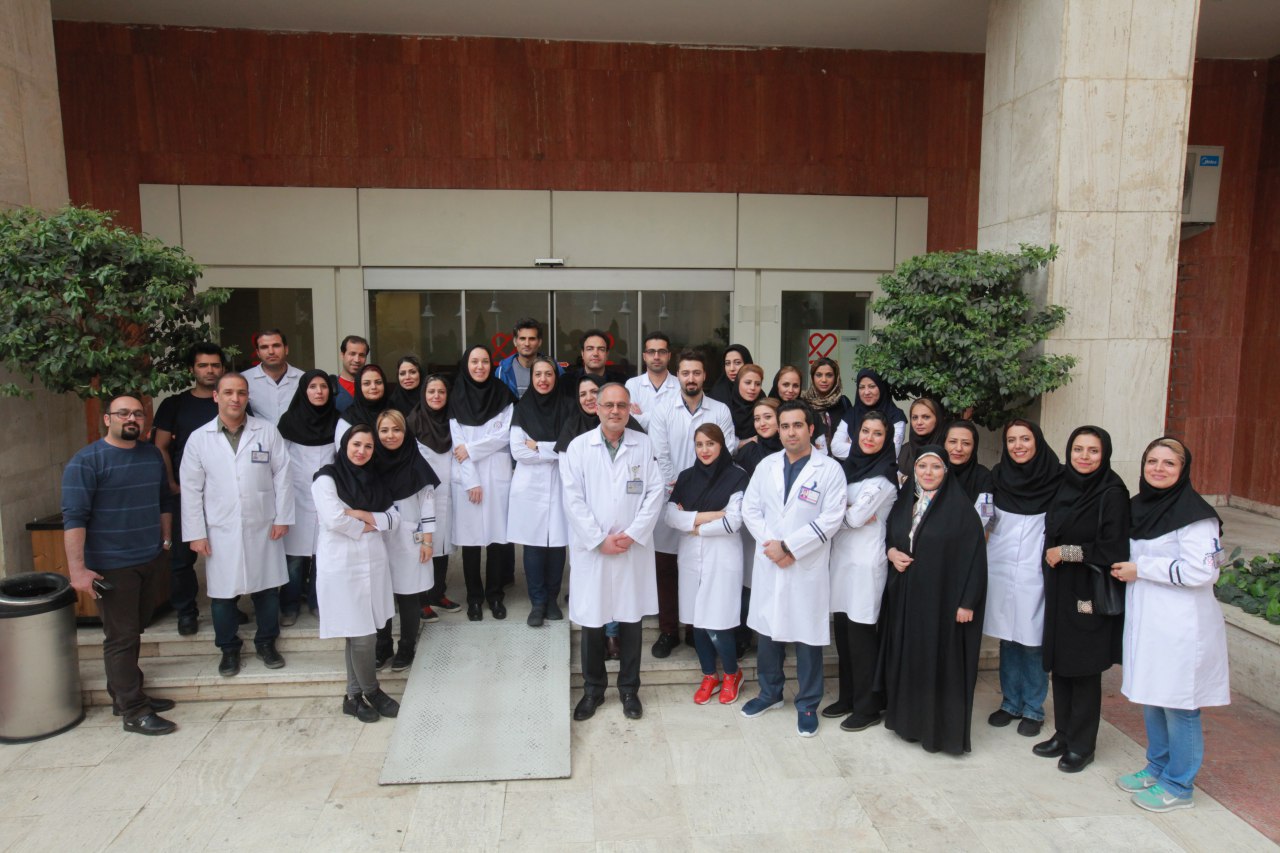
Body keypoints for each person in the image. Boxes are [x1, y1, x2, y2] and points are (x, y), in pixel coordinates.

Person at [1110, 437, 1229, 813]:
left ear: (1183, 470)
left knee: (1179, 704)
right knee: (1153, 696)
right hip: (1148, 622)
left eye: (1169, 463)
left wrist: (1143, 569)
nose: (1158, 469)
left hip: (1182, 627)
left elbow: (1204, 572)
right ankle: (1157, 767)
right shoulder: (1138, 507)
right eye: (1152, 461)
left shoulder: (1196, 515)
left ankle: (1179, 785)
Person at [62, 393, 177, 735]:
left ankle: (125, 692)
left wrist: (165, 541)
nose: (131, 419)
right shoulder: (87, 461)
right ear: (107, 419)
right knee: (121, 637)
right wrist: (77, 571)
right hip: (111, 565)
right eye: (123, 413)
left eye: (137, 414)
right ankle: (133, 711)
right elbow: (74, 518)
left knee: (133, 629)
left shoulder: (151, 455)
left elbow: (163, 500)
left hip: (149, 558)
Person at [739, 400, 846, 737]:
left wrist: (790, 547)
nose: (790, 432)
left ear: (811, 429)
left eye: (797, 425)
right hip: (771, 560)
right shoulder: (766, 465)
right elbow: (750, 509)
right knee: (768, 630)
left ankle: (808, 703)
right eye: (784, 426)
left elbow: (831, 519)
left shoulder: (829, 470)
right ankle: (769, 693)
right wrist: (773, 546)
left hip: (806, 564)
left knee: (807, 635)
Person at [561, 383, 664, 722]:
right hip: (594, 550)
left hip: (631, 549)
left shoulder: (643, 444)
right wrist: (598, 539)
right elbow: (572, 499)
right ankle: (593, 690)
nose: (615, 411)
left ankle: (629, 689)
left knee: (631, 620)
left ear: (630, 408)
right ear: (597, 408)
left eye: (621, 405)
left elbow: (655, 492)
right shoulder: (579, 447)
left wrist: (633, 534)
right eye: (608, 405)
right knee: (593, 621)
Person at [180, 373, 293, 677]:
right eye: (228, 392)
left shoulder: (266, 431)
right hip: (220, 529)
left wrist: (283, 517)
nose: (235, 398)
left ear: (247, 397)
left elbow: (283, 476)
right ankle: (229, 649)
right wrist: (196, 533)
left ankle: (267, 643)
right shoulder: (199, 438)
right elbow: (191, 490)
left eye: (241, 393)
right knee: (222, 595)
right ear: (216, 396)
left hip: (264, 524)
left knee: (267, 590)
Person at [880, 446, 988, 754]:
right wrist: (892, 553)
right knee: (911, 660)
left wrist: (967, 603)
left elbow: (976, 560)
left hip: (943, 603)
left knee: (940, 665)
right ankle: (908, 724)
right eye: (922, 466)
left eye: (936, 467)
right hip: (908, 600)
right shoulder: (906, 502)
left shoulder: (961, 510)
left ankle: (938, 732)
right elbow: (891, 537)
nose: (928, 472)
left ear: (946, 472)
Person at [1035, 426, 1129, 772]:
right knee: (1061, 664)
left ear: (1104, 455)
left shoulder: (1112, 493)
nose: (1084, 457)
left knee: (1084, 668)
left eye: (1093, 451)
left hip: (1088, 592)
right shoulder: (1064, 484)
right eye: (1078, 449)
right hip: (1060, 587)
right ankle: (1063, 733)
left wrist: (1067, 552)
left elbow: (1113, 549)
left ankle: (1082, 745)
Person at [649, 350, 737, 658]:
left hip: (711, 498)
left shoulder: (720, 410)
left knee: (701, 571)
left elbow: (727, 450)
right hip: (672, 496)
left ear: (704, 376)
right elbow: (659, 453)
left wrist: (700, 494)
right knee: (666, 568)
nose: (691, 378)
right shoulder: (662, 409)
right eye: (685, 373)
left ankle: (694, 628)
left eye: (696, 373)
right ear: (678, 376)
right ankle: (668, 630)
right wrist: (680, 488)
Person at [313, 425, 402, 723]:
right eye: (356, 445)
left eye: (368, 446)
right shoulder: (326, 478)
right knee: (363, 636)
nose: (361, 451)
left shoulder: (376, 479)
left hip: (373, 563)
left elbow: (394, 519)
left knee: (358, 634)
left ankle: (352, 698)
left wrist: (361, 515)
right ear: (344, 445)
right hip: (341, 566)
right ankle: (373, 691)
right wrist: (373, 522)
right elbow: (334, 520)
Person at [986, 419, 1062, 737]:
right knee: (1008, 637)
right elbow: (986, 518)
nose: (1018, 446)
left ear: (1037, 441)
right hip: (1001, 566)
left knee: (1032, 640)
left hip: (1037, 569)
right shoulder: (998, 476)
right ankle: (1010, 703)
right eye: (1012, 440)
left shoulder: (1057, 478)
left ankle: (1033, 707)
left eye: (1025, 439)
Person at [665, 424, 749, 705]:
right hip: (690, 557)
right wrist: (711, 516)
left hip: (722, 558)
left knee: (719, 621)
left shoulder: (737, 476)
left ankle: (732, 674)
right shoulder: (686, 477)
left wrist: (694, 525)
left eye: (710, 443)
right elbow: (670, 516)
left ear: (721, 445)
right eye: (699, 444)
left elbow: (734, 521)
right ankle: (709, 674)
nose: (704, 450)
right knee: (696, 620)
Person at [825, 411, 898, 731]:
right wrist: (846, 512)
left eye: (877, 433)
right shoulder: (848, 470)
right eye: (865, 431)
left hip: (867, 564)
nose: (869, 438)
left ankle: (868, 706)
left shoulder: (883, 478)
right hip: (841, 561)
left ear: (887, 439)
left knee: (862, 636)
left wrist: (840, 513)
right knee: (843, 633)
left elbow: (853, 519)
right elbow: (839, 513)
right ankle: (848, 697)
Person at [153, 341, 227, 636]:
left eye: (215, 365)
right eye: (203, 365)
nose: (210, 370)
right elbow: (160, 446)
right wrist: (172, 483)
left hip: (223, 495)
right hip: (186, 494)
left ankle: (228, 606)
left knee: (226, 553)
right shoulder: (174, 405)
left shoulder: (230, 401)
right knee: (182, 558)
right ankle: (186, 612)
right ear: (192, 369)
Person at [449, 345, 517, 620]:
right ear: (466, 365)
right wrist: (471, 482)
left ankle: (495, 596)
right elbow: (457, 445)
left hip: (497, 477)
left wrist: (472, 449)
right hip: (468, 478)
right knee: (471, 543)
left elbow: (505, 436)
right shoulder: (456, 396)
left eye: (485, 361)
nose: (480, 367)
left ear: (492, 364)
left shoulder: (503, 394)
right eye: (474, 361)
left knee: (497, 541)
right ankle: (474, 599)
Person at [374, 409, 439, 671]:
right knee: (381, 594)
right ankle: (382, 645)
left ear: (406, 432)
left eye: (396, 430)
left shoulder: (416, 463)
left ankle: (407, 646)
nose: (390, 436)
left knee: (408, 595)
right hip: (377, 539)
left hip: (410, 540)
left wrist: (428, 541)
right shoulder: (370, 463)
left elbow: (428, 503)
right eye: (384, 430)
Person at [508, 357, 570, 627]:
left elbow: (571, 448)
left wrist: (538, 446)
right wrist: (553, 449)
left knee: (557, 542)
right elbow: (517, 451)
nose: (543, 379)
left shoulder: (568, 407)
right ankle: (537, 602)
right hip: (529, 487)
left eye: (548, 374)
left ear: (556, 377)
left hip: (560, 483)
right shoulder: (521, 409)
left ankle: (553, 600)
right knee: (533, 544)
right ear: (531, 378)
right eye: (538, 375)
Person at [277, 369, 341, 625]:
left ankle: (317, 601)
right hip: (295, 496)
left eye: (323, 386)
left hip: (327, 496)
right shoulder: (288, 421)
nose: (319, 391)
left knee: (323, 553)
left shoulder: (337, 420)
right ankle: (289, 606)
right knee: (294, 558)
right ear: (304, 391)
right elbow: (279, 462)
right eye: (312, 387)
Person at [731, 397, 783, 656]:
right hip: (754, 529)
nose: (762, 423)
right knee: (749, 583)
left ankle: (779, 636)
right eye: (757, 418)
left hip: (784, 531)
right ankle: (743, 637)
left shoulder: (791, 451)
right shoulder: (748, 451)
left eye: (768, 417)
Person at [407, 374, 461, 619]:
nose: (436, 396)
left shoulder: (452, 422)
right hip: (421, 496)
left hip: (447, 494)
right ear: (423, 395)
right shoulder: (413, 422)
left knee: (442, 546)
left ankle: (438, 593)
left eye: (441, 392)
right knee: (424, 546)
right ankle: (422, 600)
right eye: (431, 392)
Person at [241, 328, 303, 424]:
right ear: (258, 353)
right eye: (264, 347)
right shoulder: (244, 380)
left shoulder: (303, 378)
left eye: (276, 346)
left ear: (286, 349)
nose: (271, 352)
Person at [845, 369, 907, 456]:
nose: (866, 392)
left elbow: (892, 452)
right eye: (862, 387)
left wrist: (853, 446)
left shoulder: (896, 416)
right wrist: (875, 448)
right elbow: (836, 448)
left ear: (882, 387)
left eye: (872, 386)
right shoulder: (851, 413)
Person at [944, 420, 995, 527]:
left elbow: (986, 516)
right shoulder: (932, 472)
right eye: (952, 441)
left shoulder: (984, 476)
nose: (958, 448)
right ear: (944, 443)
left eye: (966, 443)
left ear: (974, 447)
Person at [496, 317, 561, 398]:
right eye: (522, 338)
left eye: (532, 339)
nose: (527, 343)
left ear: (539, 342)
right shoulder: (502, 371)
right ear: (515, 342)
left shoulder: (555, 369)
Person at [625, 331, 678, 429]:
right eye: (651, 352)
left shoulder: (680, 385)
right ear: (644, 356)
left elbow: (680, 422)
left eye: (662, 352)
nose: (656, 357)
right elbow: (630, 421)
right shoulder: (632, 384)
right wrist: (668, 417)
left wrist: (642, 416)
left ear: (669, 356)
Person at [799, 357, 849, 455]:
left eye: (829, 375)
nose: (824, 380)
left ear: (836, 378)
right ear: (812, 377)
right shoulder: (803, 402)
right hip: (809, 460)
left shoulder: (843, 402)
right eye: (819, 375)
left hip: (840, 460)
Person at [336, 364, 392, 445]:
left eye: (378, 382)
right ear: (359, 387)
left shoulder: (395, 410)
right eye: (367, 383)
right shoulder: (349, 418)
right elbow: (343, 450)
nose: (373, 387)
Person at [897, 397, 948, 481]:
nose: (919, 422)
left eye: (926, 417)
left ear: (937, 419)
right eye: (915, 417)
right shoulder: (904, 451)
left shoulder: (947, 450)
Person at [563, 328, 629, 393]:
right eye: (590, 349)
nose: (595, 354)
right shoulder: (567, 381)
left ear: (607, 354)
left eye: (601, 349)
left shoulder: (622, 381)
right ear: (582, 354)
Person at [726, 364, 765, 442]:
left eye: (757, 384)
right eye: (748, 383)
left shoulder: (765, 406)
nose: (752, 388)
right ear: (738, 383)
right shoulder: (726, 408)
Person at [333, 335, 370, 413]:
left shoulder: (372, 387)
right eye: (352, 354)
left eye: (361, 355)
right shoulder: (331, 387)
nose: (357, 360)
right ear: (342, 355)